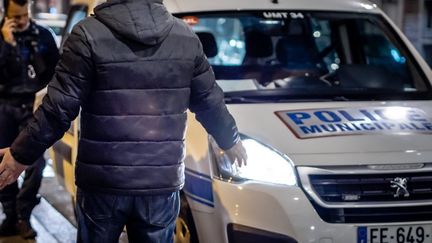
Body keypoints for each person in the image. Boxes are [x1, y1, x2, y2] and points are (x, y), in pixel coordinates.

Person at [0, 0, 246, 242]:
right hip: (159, 182)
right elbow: (209, 101)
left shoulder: (87, 35)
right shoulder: (185, 37)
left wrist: (21, 155)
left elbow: (58, 108)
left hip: (102, 183)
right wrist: (230, 140)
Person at [0, 0, 58, 239]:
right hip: (3, 107)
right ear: (6, 13)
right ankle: (10, 215)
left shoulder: (43, 36)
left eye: (25, 15)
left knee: (35, 164)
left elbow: (55, 74)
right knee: (3, 162)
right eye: (17, 16)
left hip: (31, 108)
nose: (22, 20)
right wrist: (8, 45)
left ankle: (24, 214)